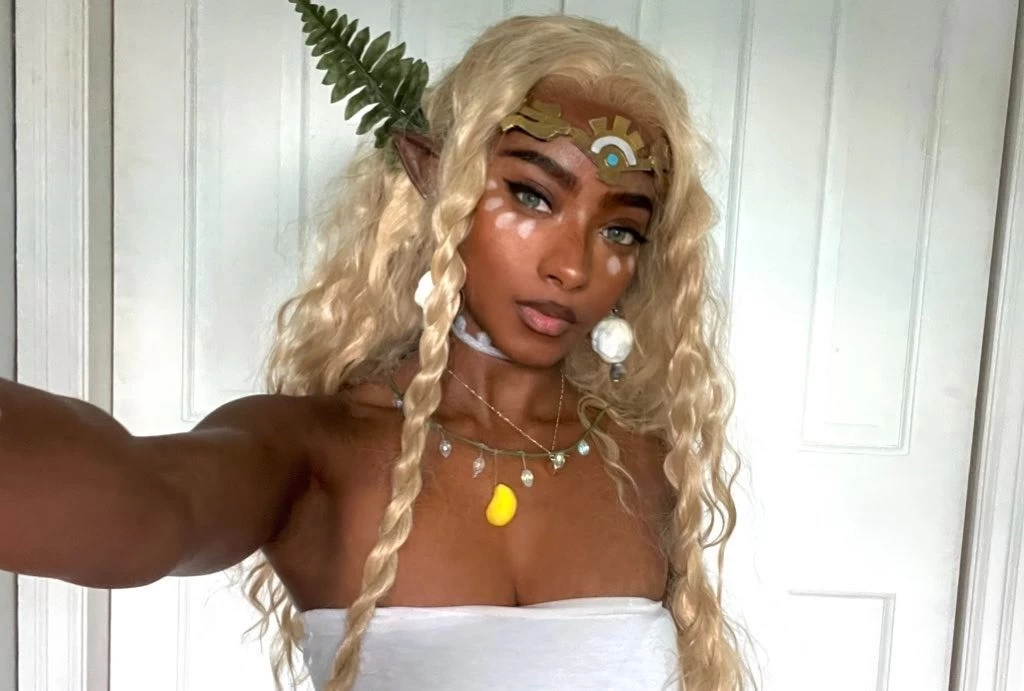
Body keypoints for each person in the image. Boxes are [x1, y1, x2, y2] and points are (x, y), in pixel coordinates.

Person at [0, 5, 750, 690]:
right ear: (434, 177)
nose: (573, 266)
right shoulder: (319, 454)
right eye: (531, 196)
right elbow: (142, 505)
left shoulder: (647, 460)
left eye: (620, 229)